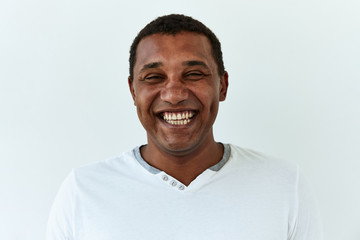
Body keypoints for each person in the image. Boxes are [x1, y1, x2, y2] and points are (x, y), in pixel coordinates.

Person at [47, 14, 322, 240]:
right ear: (133, 90)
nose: (173, 94)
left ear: (222, 85)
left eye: (193, 74)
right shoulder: (83, 191)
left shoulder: (284, 185)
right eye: (154, 77)